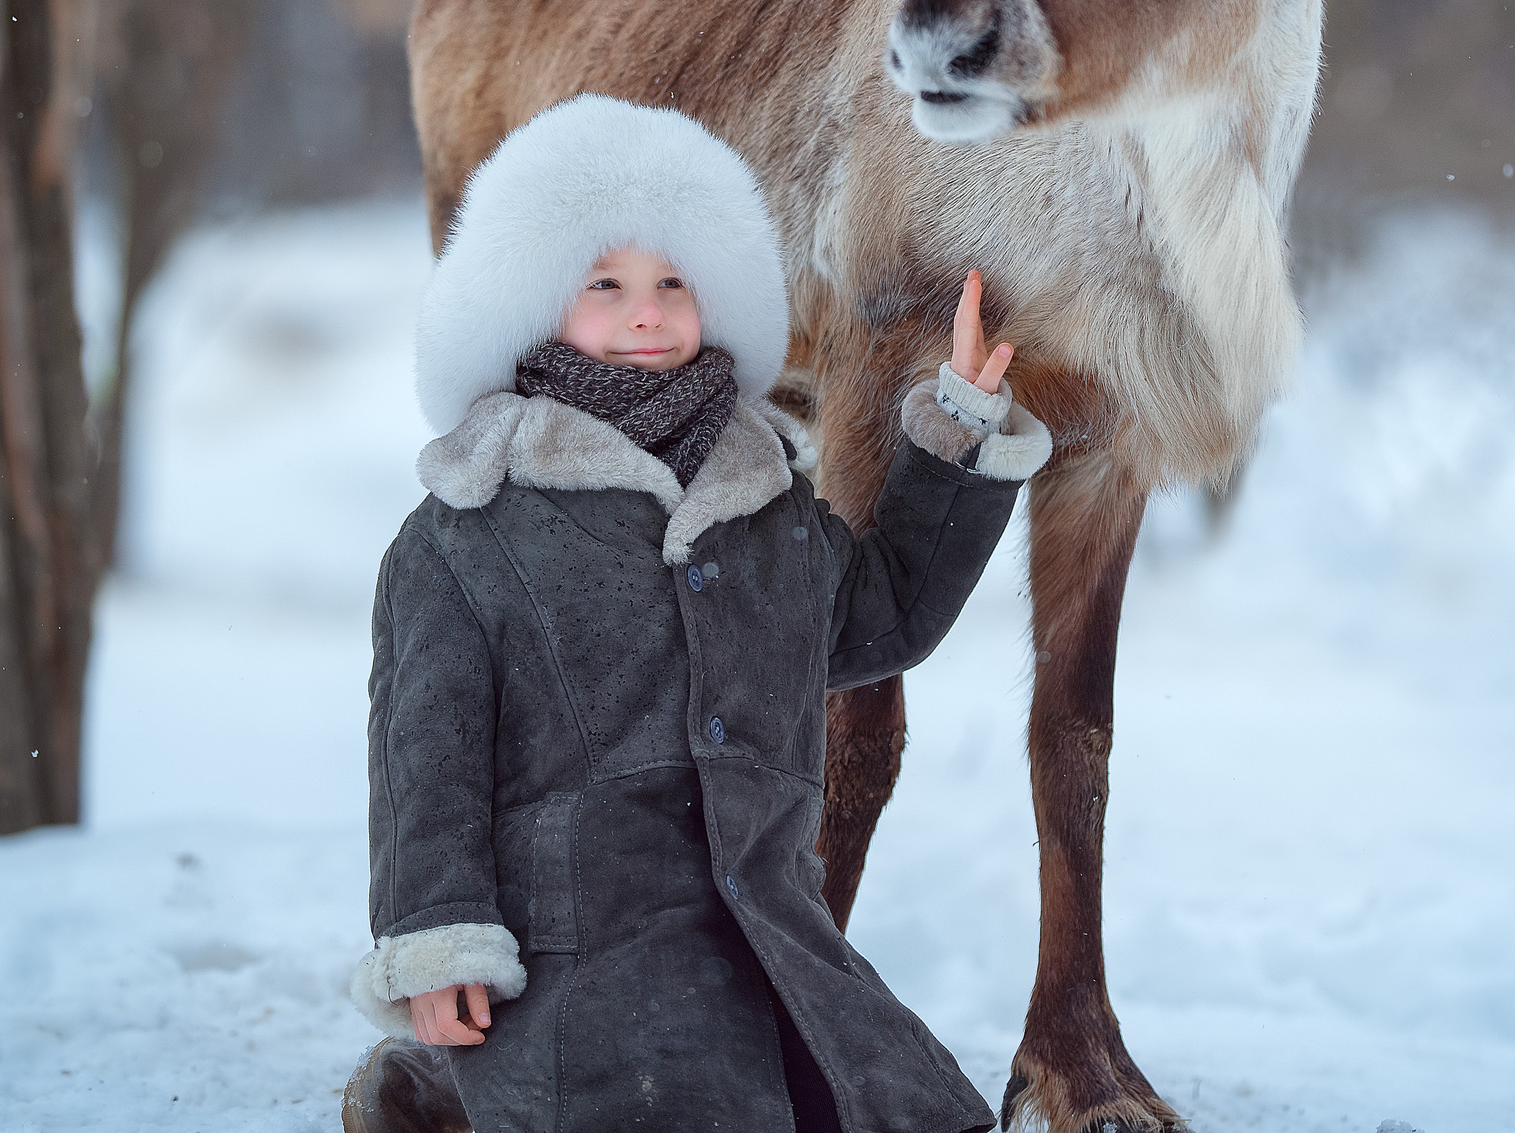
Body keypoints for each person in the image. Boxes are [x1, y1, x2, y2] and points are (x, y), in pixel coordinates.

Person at [342, 95, 1051, 1133]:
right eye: (606, 283)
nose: (647, 310)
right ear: (532, 303)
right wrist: (437, 934)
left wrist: (958, 423)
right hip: (575, 955)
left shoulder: (765, 509)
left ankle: (442, 1099)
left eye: (674, 280)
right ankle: (437, 1091)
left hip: (771, 940)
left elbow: (883, 615)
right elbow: (424, 758)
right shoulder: (468, 529)